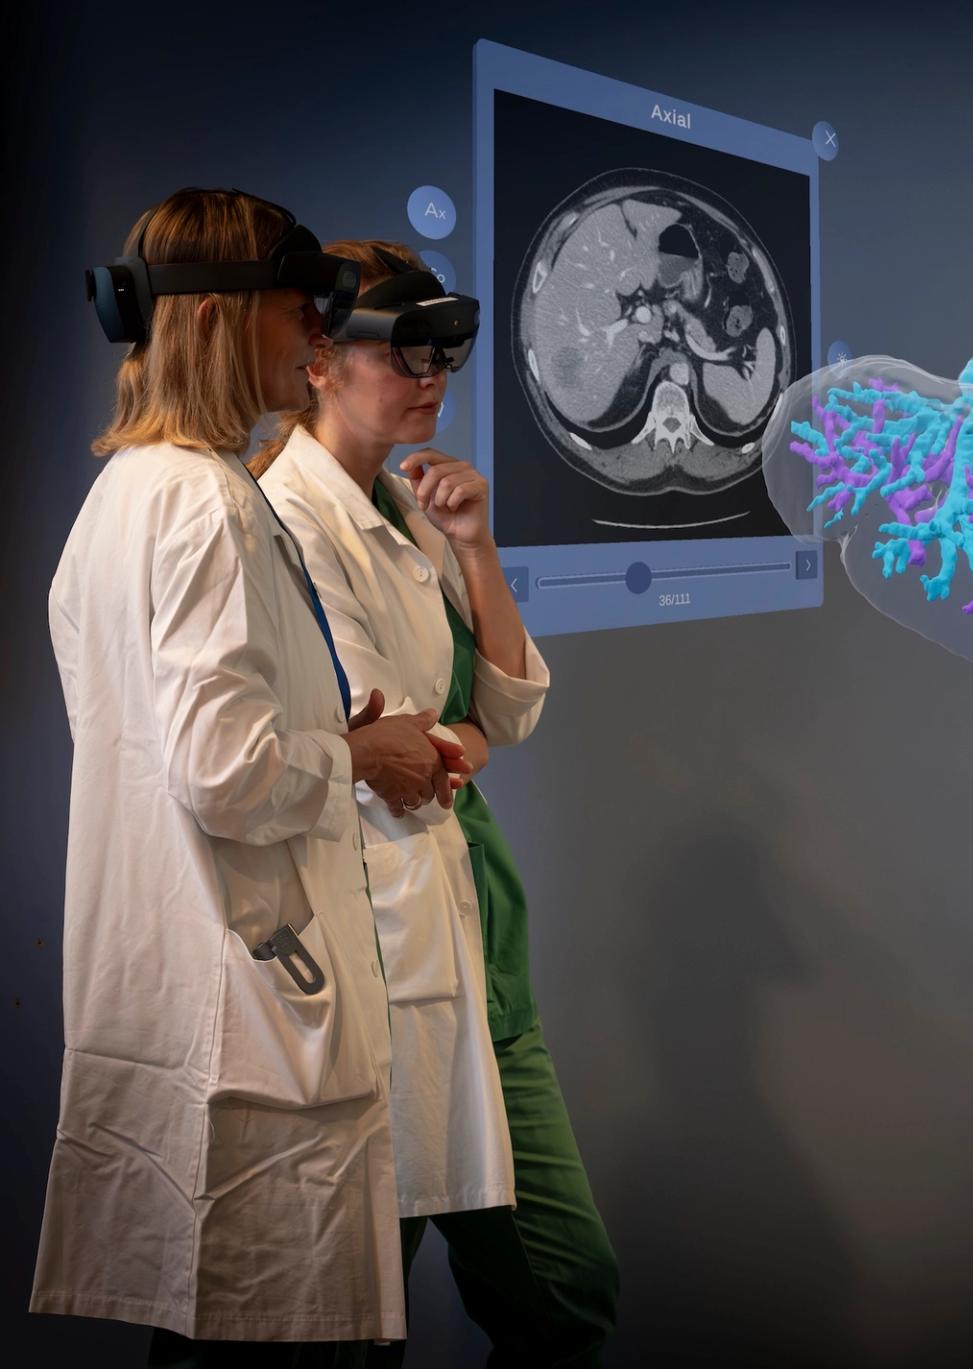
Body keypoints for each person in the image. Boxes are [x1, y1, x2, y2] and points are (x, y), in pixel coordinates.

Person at [35, 188, 468, 1363]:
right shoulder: (210, 502)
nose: (318, 339)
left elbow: (159, 738)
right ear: (215, 316)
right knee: (271, 1332)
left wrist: (325, 727)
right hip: (257, 1002)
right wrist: (364, 752)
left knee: (204, 1322)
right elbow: (224, 775)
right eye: (299, 310)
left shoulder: (122, 496)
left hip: (186, 981)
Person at [254, 241, 619, 1366]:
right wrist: (428, 743)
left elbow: (507, 710)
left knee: (565, 1290)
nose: (432, 374)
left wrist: (476, 547)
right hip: (365, 959)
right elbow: (396, 756)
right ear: (318, 358)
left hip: (474, 943)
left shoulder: (411, 509)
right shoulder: (281, 520)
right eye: (403, 349)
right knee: (344, 1319)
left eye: (444, 350)